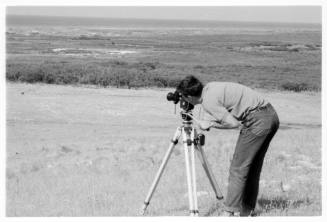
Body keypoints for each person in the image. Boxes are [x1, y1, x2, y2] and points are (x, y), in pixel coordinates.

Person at [176, 75, 279, 216]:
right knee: (252, 167)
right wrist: (212, 121)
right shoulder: (210, 87)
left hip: (257, 121)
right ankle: (247, 210)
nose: (182, 100)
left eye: (183, 97)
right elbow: (227, 111)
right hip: (270, 115)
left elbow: (234, 124)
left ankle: (230, 212)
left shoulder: (208, 101)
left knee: (238, 169)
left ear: (189, 96)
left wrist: (211, 124)